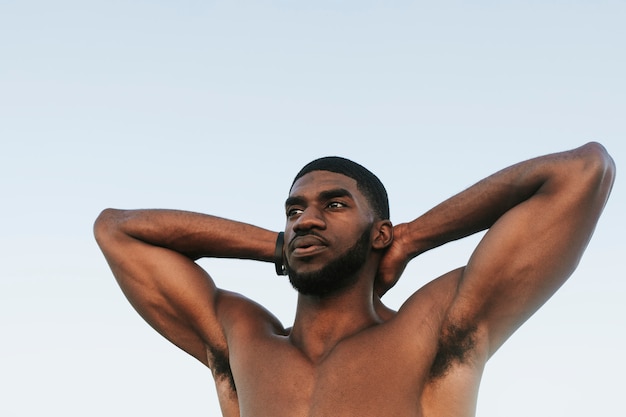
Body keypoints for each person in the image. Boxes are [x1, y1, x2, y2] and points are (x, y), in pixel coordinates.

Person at [94, 142, 614, 417]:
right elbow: (117, 230)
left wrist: (411, 237)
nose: (306, 219)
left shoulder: (431, 329)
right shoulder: (244, 341)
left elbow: (583, 171)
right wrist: (279, 247)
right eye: (294, 211)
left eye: (334, 204)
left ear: (378, 231)